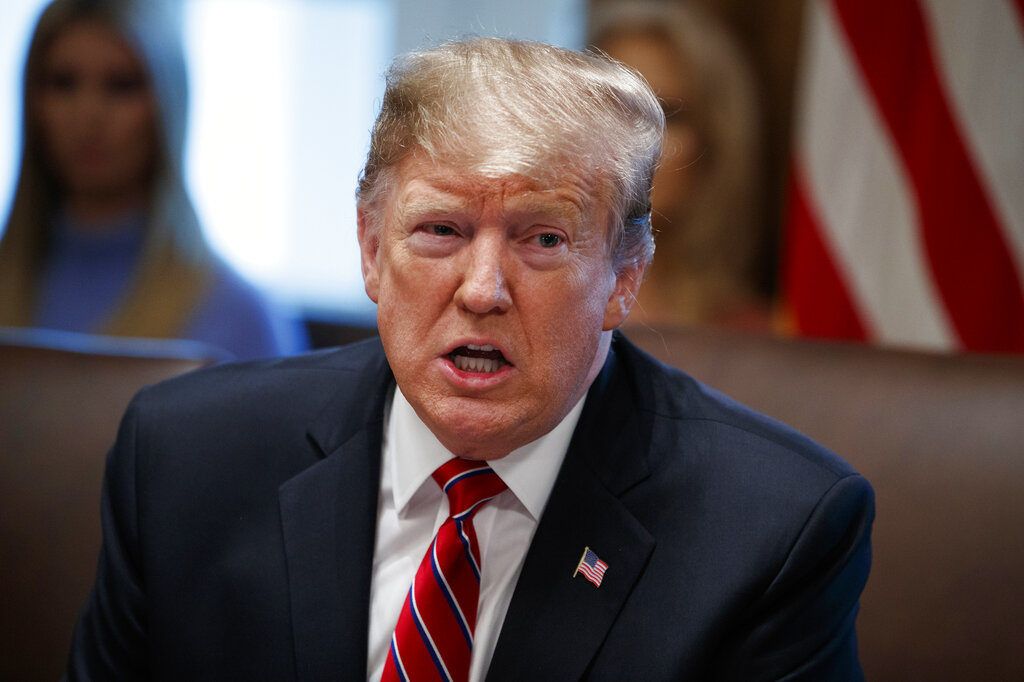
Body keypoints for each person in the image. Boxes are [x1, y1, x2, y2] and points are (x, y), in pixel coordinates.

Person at [66, 38, 873, 680]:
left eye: (544, 239)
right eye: (441, 231)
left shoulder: (774, 533)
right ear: (370, 250)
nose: (483, 289)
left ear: (625, 276)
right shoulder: (184, 459)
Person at [0, 0, 305, 360]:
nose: (88, 115)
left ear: (168, 104)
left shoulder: (239, 317)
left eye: (121, 85)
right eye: (63, 83)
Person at [590, 1, 772, 330]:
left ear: (714, 143)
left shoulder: (752, 335)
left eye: (667, 114)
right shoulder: (511, 300)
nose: (634, 139)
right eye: (613, 107)